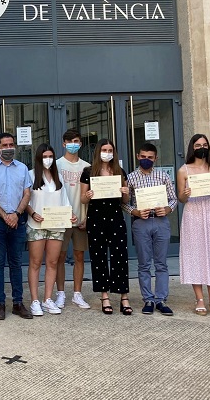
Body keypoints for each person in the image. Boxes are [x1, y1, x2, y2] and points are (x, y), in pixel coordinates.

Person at [177, 134, 210, 315]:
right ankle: (199, 298)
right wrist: (186, 192)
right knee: (195, 254)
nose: (202, 147)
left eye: (205, 144)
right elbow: (181, 199)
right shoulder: (183, 170)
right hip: (193, 213)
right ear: (192, 147)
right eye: (198, 145)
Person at [0, 132, 33, 320]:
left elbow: (27, 193)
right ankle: (0, 303)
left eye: (11, 144)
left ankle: (18, 302)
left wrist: (16, 214)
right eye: (4, 145)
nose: (8, 148)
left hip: (17, 221)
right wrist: (5, 215)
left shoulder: (22, 168)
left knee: (16, 263)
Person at [123, 142, 178, 316]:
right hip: (141, 223)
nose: (146, 160)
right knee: (144, 264)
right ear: (138, 156)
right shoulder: (130, 178)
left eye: (150, 157)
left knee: (161, 263)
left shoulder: (163, 176)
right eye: (143, 157)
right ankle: (147, 298)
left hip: (161, 221)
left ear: (156, 158)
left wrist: (168, 209)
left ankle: (161, 299)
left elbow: (173, 199)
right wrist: (135, 212)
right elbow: (124, 203)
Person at [80, 139, 131, 315]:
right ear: (98, 151)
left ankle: (124, 296)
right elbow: (83, 199)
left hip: (115, 218)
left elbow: (125, 201)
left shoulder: (119, 172)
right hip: (96, 218)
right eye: (104, 149)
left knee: (120, 256)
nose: (107, 153)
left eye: (110, 150)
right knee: (99, 257)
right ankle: (105, 296)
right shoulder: (88, 172)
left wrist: (126, 193)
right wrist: (88, 195)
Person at [25, 144, 76, 316]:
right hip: (36, 226)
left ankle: (48, 298)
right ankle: (34, 300)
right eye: (45, 156)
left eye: (50, 156)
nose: (48, 159)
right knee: (35, 263)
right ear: (39, 158)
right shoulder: (30, 175)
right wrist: (32, 213)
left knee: (53, 262)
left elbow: (65, 202)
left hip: (57, 226)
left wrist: (71, 215)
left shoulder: (58, 177)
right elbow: (25, 201)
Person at [55, 129, 91, 310]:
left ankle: (77, 293)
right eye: (69, 141)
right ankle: (60, 293)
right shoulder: (56, 165)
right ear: (63, 144)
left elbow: (91, 195)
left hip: (81, 219)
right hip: (62, 220)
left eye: (76, 141)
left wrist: (87, 217)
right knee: (59, 257)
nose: (73, 144)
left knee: (79, 256)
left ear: (81, 143)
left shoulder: (87, 166)